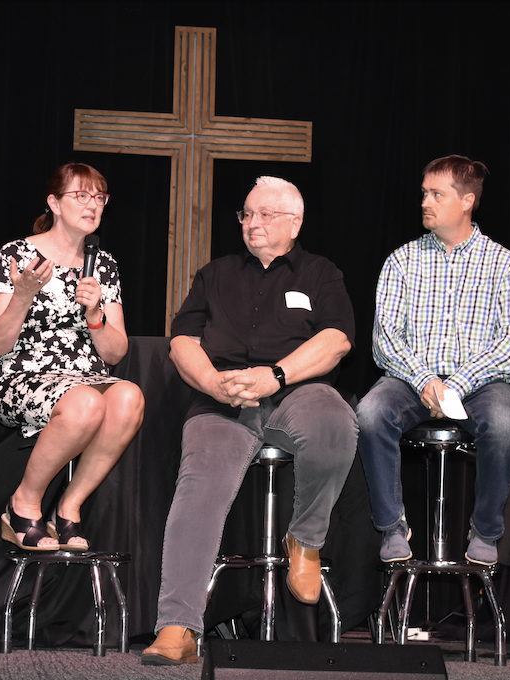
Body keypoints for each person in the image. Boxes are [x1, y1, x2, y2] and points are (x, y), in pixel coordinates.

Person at [141, 176, 358, 665]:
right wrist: (212, 383)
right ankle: (178, 625)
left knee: (336, 424)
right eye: (246, 214)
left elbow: (338, 340)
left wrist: (275, 376)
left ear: (295, 222)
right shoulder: (215, 274)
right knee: (199, 487)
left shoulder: (321, 274)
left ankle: (305, 539)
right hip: (223, 401)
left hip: (296, 390)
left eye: (265, 214)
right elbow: (182, 341)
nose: (252, 223)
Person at [355, 155, 510, 567]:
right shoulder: (402, 260)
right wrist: (425, 380)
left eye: (437, 194)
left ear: (467, 200)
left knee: (505, 424)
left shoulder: (506, 264)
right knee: (369, 412)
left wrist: (457, 384)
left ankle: (486, 529)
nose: (425, 202)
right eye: (424, 193)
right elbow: (385, 339)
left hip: (482, 383)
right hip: (411, 379)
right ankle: (392, 525)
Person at [0, 163, 144, 551]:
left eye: (99, 197)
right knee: (86, 403)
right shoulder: (17, 254)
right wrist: (23, 294)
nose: (93, 205)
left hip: (85, 376)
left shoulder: (103, 264)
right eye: (81, 195)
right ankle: (23, 503)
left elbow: (116, 351)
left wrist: (95, 316)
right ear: (54, 202)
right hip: (23, 376)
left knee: (129, 397)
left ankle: (68, 508)